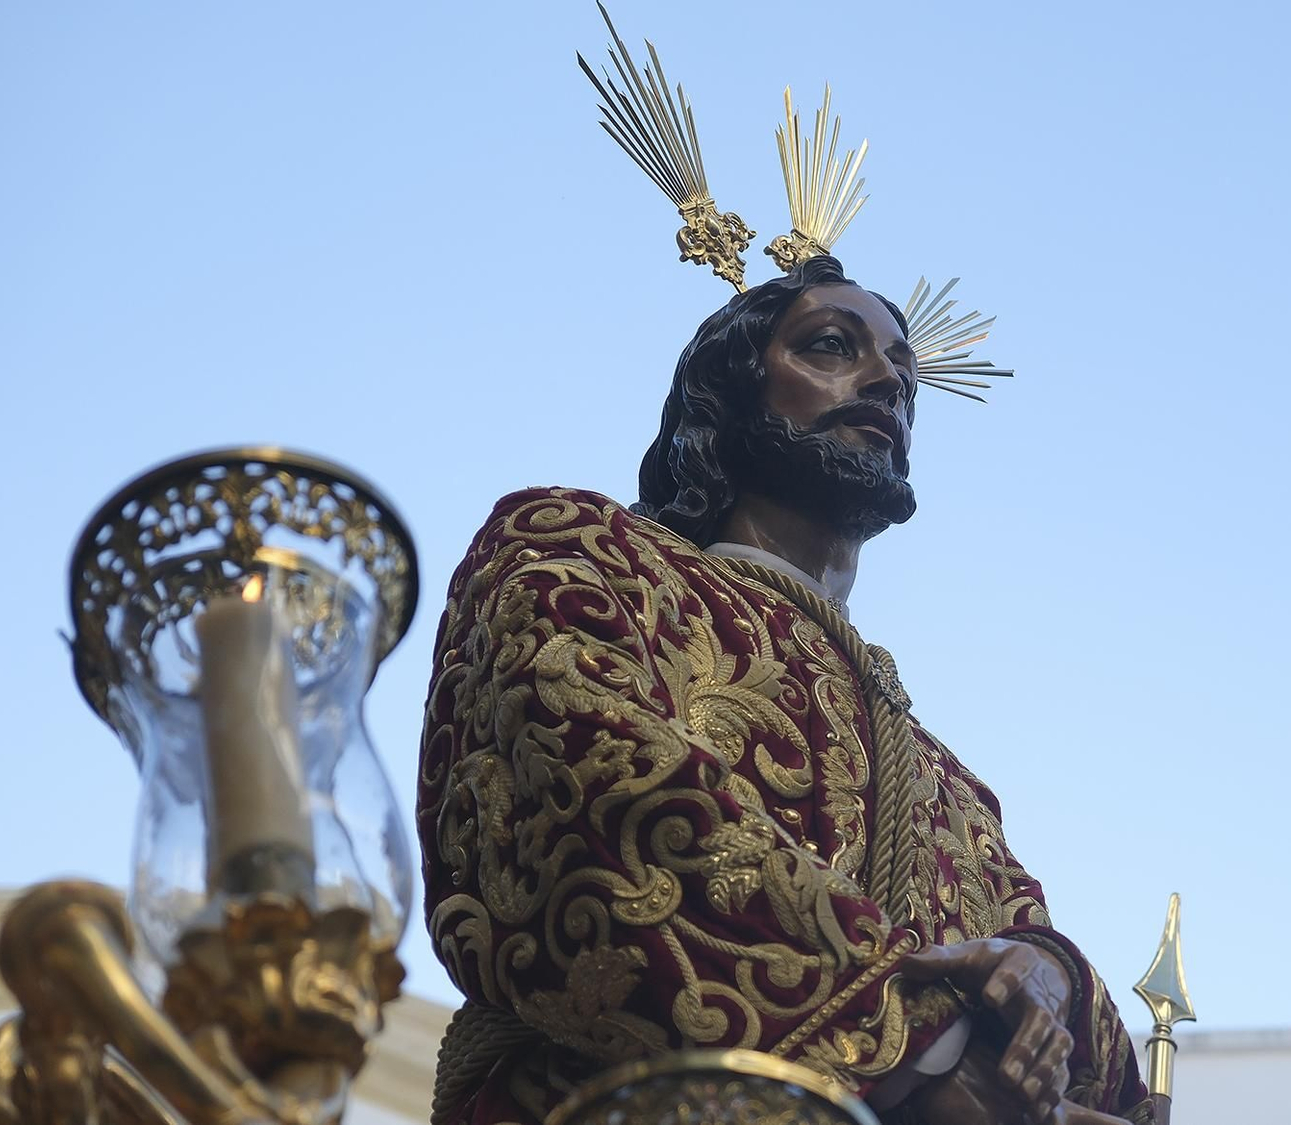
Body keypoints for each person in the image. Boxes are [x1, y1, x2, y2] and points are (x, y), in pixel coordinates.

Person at [416, 252, 1152, 1124]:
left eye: (904, 373)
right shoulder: (579, 556)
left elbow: (1082, 1049)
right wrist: (932, 1071)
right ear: (727, 397)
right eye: (833, 346)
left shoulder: (949, 785)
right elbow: (596, 803)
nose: (884, 381)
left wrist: (1048, 972)